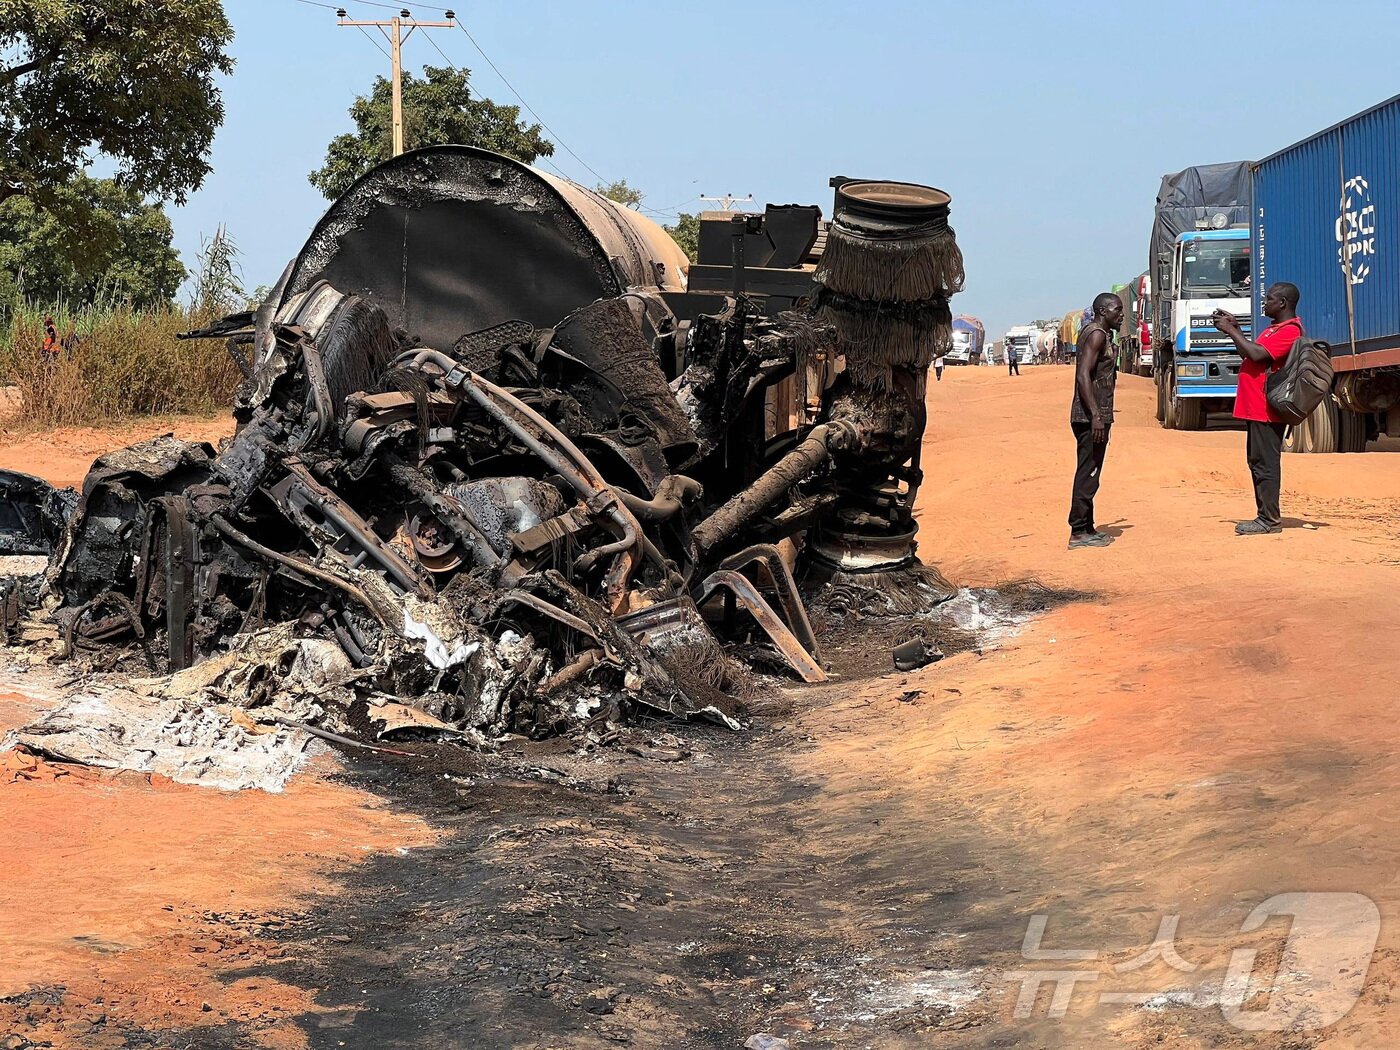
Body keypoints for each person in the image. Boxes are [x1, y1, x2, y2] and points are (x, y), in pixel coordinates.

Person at [1212, 282, 1301, 535]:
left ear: (1282, 303)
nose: (1265, 302)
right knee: (1257, 462)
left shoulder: (1290, 331)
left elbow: (1258, 355)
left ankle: (1269, 520)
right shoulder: (1273, 330)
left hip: (1266, 409)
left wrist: (1231, 331)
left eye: (1269, 298)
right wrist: (1237, 329)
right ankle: (1264, 516)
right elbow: (1250, 354)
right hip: (1254, 407)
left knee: (1266, 464)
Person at [1068, 292, 1123, 549]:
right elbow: (1083, 376)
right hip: (1090, 416)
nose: (1121, 315)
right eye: (1117, 310)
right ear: (1103, 311)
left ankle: (1088, 526)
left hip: (1095, 414)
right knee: (1088, 473)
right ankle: (1078, 531)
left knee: (1092, 472)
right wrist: (1096, 417)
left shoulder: (1101, 333)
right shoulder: (1097, 334)